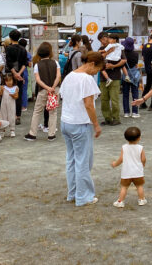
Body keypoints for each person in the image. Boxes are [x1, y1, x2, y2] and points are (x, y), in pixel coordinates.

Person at [61, 52, 104, 206]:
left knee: (71, 160)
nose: (96, 73)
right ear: (92, 64)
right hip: (80, 123)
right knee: (83, 161)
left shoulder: (70, 76)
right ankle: (83, 196)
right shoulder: (87, 79)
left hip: (66, 121)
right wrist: (96, 124)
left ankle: (72, 193)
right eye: (97, 69)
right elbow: (89, 104)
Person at [26, 42, 62, 140]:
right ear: (50, 52)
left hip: (43, 90)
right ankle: (51, 134)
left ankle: (32, 134)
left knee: (37, 111)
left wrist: (47, 88)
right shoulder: (56, 63)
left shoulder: (37, 65)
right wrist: (53, 87)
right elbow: (58, 76)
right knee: (53, 112)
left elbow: (38, 80)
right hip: (55, 90)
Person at [110, 126, 147, 208]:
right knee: (139, 186)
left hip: (126, 172)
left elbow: (121, 159)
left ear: (126, 138)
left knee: (124, 187)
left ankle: (120, 201)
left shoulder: (124, 147)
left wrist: (115, 164)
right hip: (138, 172)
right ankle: (141, 200)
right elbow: (143, 159)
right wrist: (143, 164)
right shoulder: (140, 148)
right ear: (139, 138)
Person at [99, 34, 125, 126]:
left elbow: (123, 61)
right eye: (104, 38)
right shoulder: (102, 48)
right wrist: (108, 52)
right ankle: (107, 118)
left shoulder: (119, 48)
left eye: (108, 38)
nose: (106, 39)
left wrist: (113, 66)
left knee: (114, 99)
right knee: (104, 99)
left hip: (115, 77)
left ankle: (116, 118)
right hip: (103, 78)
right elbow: (99, 59)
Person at [4, 30, 28, 126]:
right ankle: (18, 116)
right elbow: (24, 64)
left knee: (9, 94)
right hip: (20, 76)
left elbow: (9, 63)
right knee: (18, 95)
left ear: (10, 38)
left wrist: (14, 73)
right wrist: (19, 74)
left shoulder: (8, 48)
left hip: (10, 75)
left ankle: (10, 115)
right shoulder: (23, 49)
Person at [121, 38, 141, 118]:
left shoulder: (122, 54)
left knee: (125, 94)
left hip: (125, 75)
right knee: (135, 93)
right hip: (134, 75)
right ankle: (135, 112)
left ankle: (126, 112)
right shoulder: (135, 54)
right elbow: (136, 65)